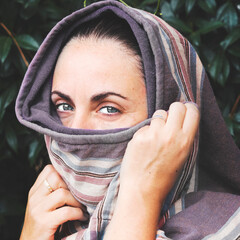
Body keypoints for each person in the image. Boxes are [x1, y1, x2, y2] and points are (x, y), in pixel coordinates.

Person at [16, 1, 240, 240]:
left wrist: (140, 195)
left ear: (170, 115)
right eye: (64, 106)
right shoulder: (52, 226)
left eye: (109, 108)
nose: (75, 130)